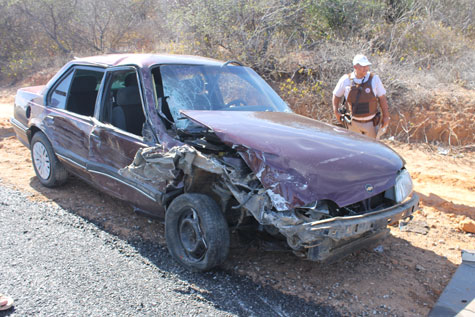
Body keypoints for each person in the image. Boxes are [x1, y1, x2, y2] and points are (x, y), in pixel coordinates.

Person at [332, 54, 390, 139]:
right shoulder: (345, 80)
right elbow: (336, 95)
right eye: (363, 66)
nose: (366, 69)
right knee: (355, 149)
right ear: (355, 67)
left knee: (371, 149)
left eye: (367, 66)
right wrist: (336, 111)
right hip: (353, 124)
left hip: (371, 124)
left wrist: (386, 116)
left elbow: (382, 98)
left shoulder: (374, 79)